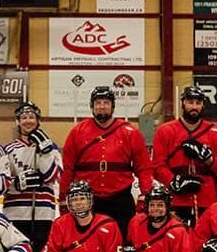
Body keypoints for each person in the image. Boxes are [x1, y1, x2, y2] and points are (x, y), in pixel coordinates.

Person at [60, 86, 152, 239]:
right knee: (88, 241)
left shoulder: (130, 132)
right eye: (98, 103)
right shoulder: (77, 132)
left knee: (124, 240)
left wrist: (145, 196)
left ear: (113, 106)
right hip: (88, 199)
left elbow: (143, 168)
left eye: (106, 102)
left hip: (120, 199)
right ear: (91, 106)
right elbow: (68, 169)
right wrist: (64, 199)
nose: (102, 106)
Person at [1, 101, 62, 252]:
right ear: (18, 121)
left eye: (31, 117)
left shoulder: (51, 147)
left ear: (38, 120)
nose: (27, 121)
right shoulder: (8, 149)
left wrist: (45, 150)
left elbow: (52, 176)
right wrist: (19, 182)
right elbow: (2, 182)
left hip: (43, 213)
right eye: (23, 117)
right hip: (15, 213)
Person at [151, 85, 217, 227]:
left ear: (203, 105)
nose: (194, 106)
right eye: (190, 102)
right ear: (182, 103)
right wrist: (173, 181)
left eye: (198, 103)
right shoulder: (165, 130)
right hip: (175, 198)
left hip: (207, 197)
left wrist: (210, 160)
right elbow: (157, 165)